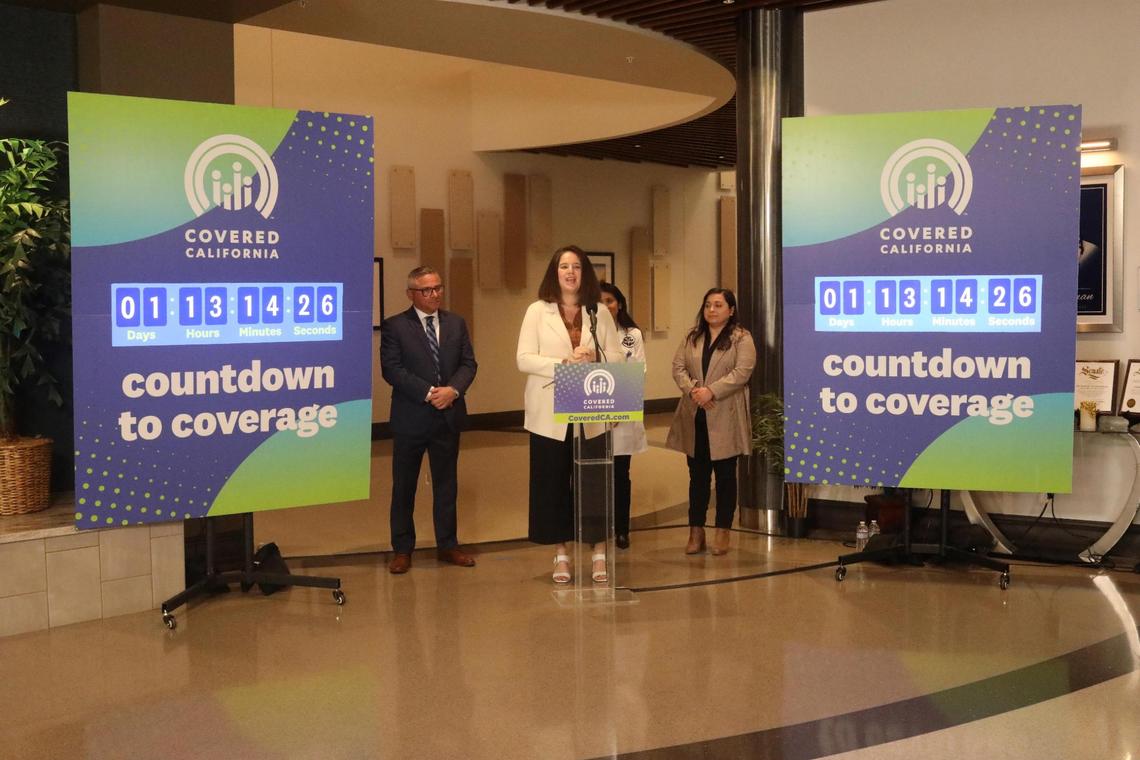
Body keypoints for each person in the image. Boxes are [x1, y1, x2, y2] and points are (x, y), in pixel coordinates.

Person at [517, 245, 622, 584]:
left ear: (585, 272)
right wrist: (562, 363)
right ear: (555, 272)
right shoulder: (537, 311)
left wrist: (594, 359)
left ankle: (598, 552)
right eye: (564, 266)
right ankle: (561, 553)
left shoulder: (598, 311)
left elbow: (617, 358)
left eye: (576, 266)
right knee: (552, 482)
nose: (570, 272)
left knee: (594, 482)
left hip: (591, 403)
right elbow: (524, 359)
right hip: (549, 409)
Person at [380, 266, 478, 574]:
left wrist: (453, 391)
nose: (434, 294)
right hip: (411, 417)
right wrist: (428, 392)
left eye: (438, 288)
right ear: (411, 294)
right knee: (404, 487)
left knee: (446, 485)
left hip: (448, 416)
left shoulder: (455, 323)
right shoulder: (396, 326)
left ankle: (448, 545)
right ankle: (402, 549)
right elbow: (392, 369)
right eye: (427, 290)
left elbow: (468, 364)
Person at [665, 288, 756, 556]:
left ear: (731, 310)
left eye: (718, 305)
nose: (711, 310)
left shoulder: (741, 338)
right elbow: (678, 368)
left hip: (725, 412)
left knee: (726, 477)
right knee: (698, 477)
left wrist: (711, 391)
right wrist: (694, 390)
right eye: (707, 305)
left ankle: (722, 531)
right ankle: (696, 531)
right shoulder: (693, 336)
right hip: (696, 414)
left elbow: (742, 372)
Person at [600, 282, 647, 550]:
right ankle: (595, 527)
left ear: (619, 304)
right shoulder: (582, 333)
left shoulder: (632, 335)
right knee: (593, 473)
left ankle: (621, 529)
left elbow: (637, 371)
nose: (605, 306)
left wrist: (617, 408)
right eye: (600, 301)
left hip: (622, 414)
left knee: (620, 473)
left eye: (610, 300)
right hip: (591, 414)